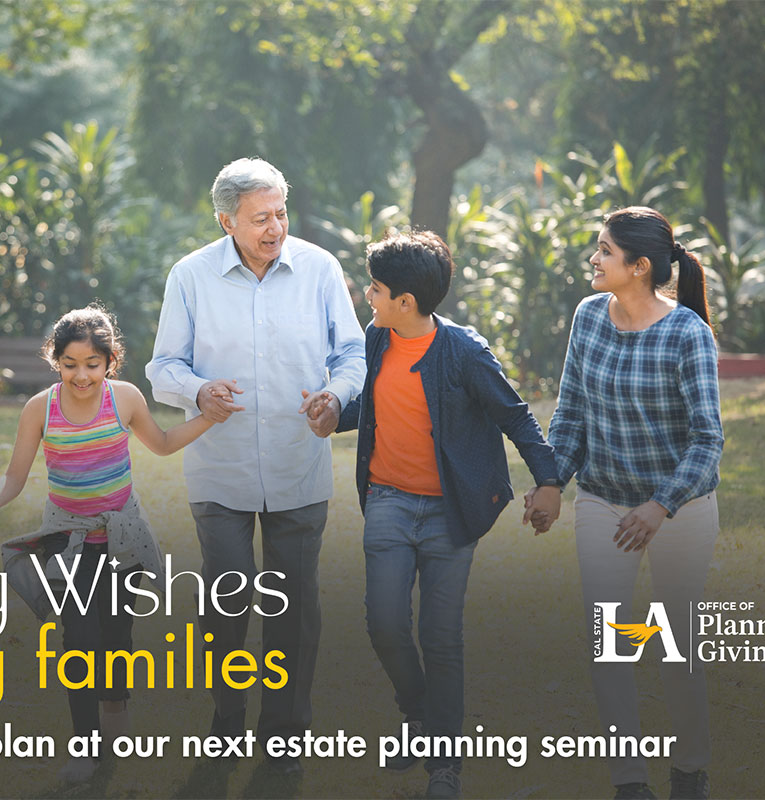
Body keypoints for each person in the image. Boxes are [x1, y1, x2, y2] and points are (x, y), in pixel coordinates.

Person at [317, 229, 561, 799]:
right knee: (384, 623)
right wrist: (334, 415)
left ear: (405, 302)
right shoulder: (376, 340)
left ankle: (445, 764)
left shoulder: (464, 352)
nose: (367, 297)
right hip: (388, 499)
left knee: (440, 636)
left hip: (451, 511)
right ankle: (418, 713)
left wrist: (549, 482)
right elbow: (373, 404)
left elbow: (516, 416)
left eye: (375, 289)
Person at [145, 157, 365, 772]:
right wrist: (198, 391)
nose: (276, 228)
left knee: (295, 608)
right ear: (226, 222)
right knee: (228, 602)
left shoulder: (320, 268)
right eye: (260, 218)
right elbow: (163, 367)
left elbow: (352, 352)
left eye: (280, 214)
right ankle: (227, 721)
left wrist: (337, 396)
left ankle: (284, 736)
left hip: (300, 465)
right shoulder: (190, 276)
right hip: (221, 471)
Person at [0, 305, 216, 783]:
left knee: (116, 637)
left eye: (92, 364)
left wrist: (209, 417)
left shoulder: (124, 398)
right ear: (55, 360)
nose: (81, 375)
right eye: (69, 364)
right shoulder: (40, 408)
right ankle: (85, 746)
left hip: (122, 539)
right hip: (69, 541)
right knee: (79, 641)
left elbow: (163, 443)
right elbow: (16, 476)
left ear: (110, 361)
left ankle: (115, 723)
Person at [540, 207, 723, 800]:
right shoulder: (589, 316)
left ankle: (689, 770)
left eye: (605, 250)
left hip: (680, 508)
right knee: (609, 643)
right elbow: (571, 413)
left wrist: (659, 506)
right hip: (603, 501)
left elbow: (707, 441)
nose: (594, 259)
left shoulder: (687, 333)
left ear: (640, 266)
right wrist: (551, 482)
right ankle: (630, 781)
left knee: (676, 646)